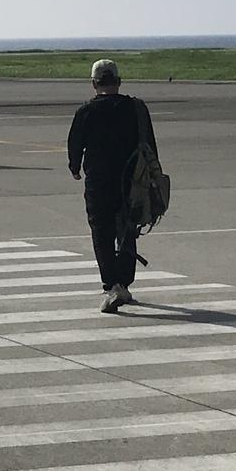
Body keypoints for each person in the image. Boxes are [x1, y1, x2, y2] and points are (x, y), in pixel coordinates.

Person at [67, 58, 158, 313]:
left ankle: (112, 285)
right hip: (132, 181)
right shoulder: (137, 108)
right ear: (119, 81)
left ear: (94, 84)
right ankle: (124, 283)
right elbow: (149, 144)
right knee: (128, 230)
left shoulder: (86, 111)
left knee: (102, 234)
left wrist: (74, 167)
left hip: (99, 183)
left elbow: (75, 144)